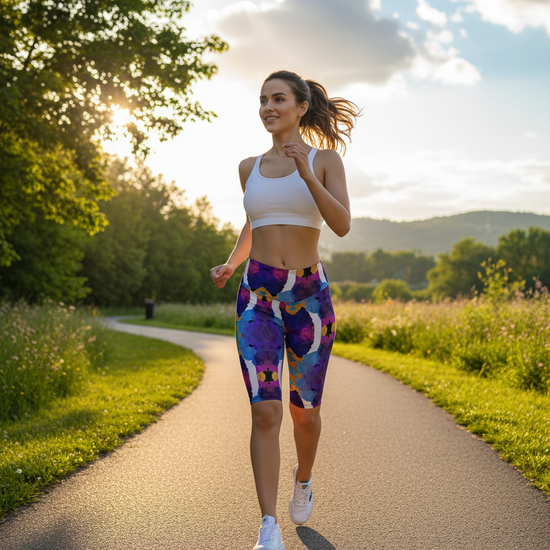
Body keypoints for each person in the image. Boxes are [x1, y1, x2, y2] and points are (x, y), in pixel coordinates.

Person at [210, 70, 360, 550]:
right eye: (262, 100)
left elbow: (341, 224)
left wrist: (305, 174)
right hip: (258, 295)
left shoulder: (324, 160)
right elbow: (254, 222)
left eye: (278, 99)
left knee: (305, 414)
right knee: (266, 412)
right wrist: (233, 263)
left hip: (309, 300)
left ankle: (305, 476)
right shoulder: (247, 166)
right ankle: (268, 526)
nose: (268, 107)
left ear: (300, 107)